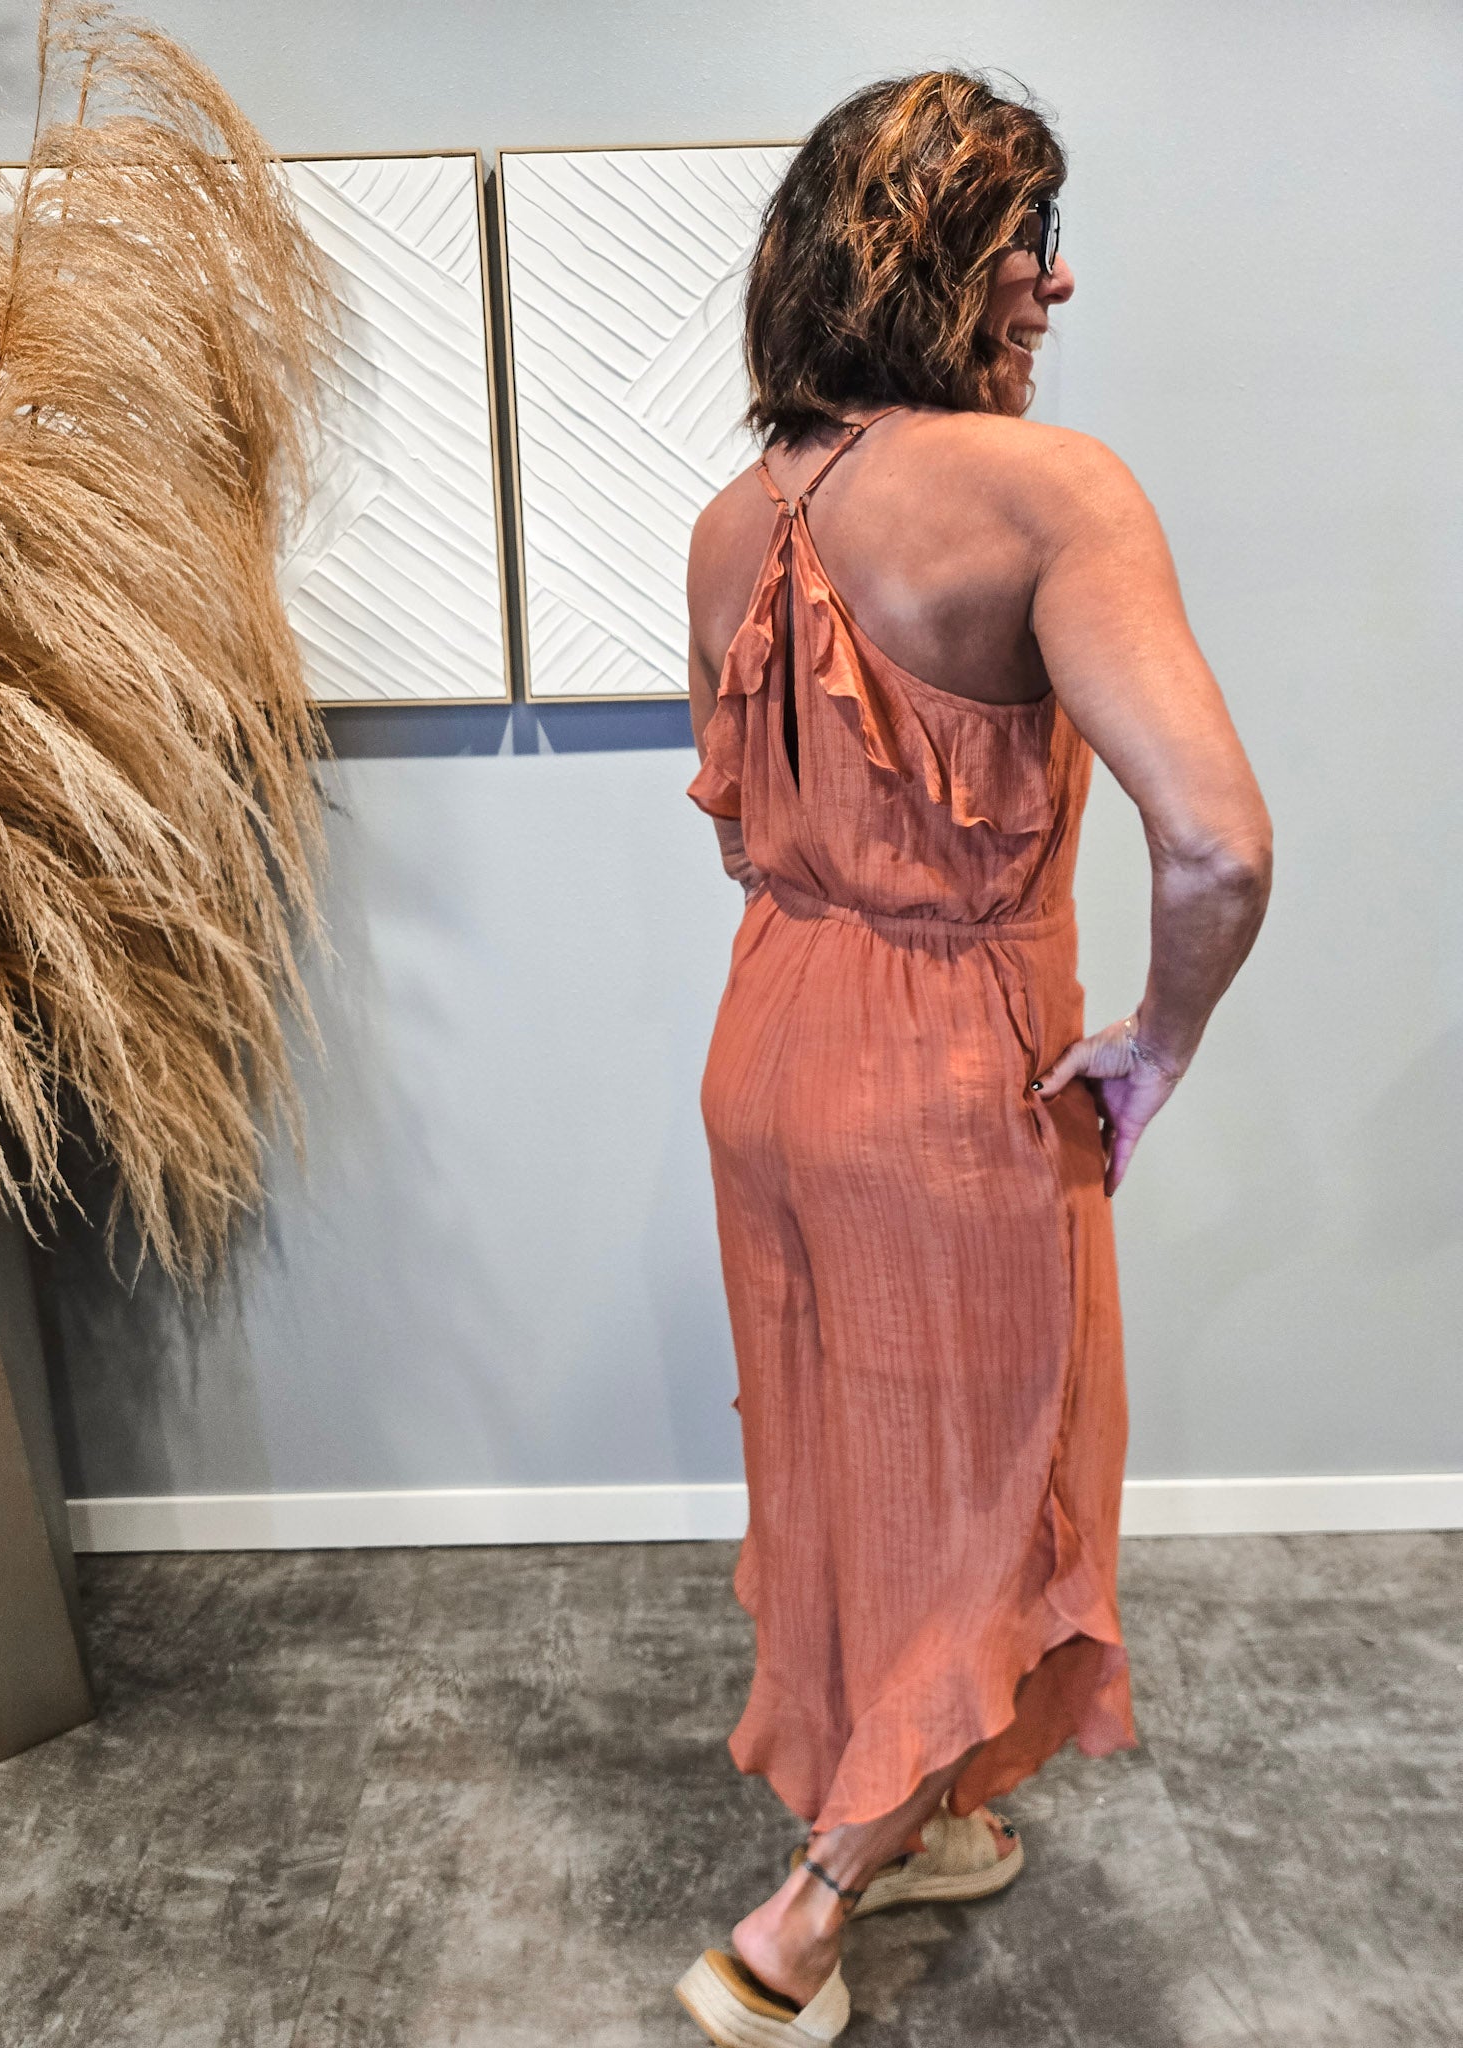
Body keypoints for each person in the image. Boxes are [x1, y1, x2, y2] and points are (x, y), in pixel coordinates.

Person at [674, 69, 1274, 2046]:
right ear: (931, 260)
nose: (1057, 283)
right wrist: (1156, 1044)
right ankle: (800, 1919)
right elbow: (1219, 843)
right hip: (949, 1064)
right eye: (1031, 243)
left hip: (769, 1039)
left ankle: (909, 1809)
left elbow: (745, 825)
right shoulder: (1051, 493)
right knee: (995, 1481)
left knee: (855, 1468)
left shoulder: (734, 518)